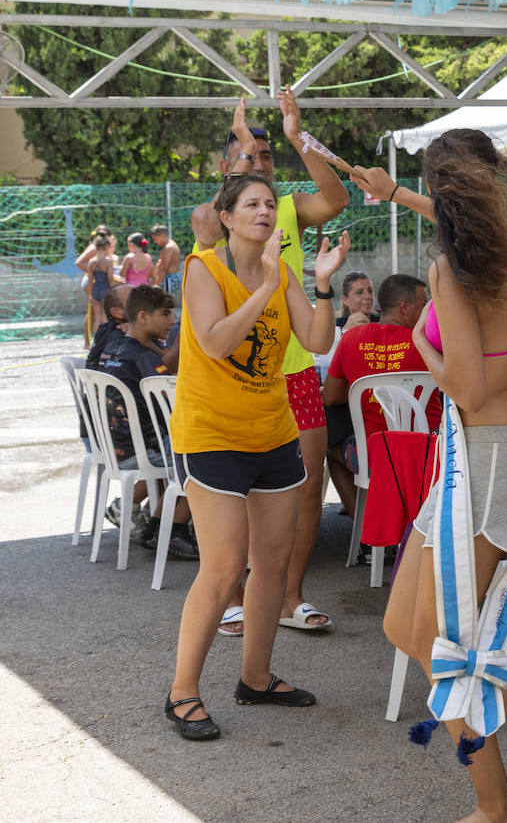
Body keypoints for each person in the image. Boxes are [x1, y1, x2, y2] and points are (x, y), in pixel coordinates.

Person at [352, 129, 507, 821]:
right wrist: (397, 194)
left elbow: (469, 387)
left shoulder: (451, 270)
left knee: (445, 647)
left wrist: (419, 344)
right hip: (482, 459)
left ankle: (495, 805)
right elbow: (460, 221)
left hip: (482, 462)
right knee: (404, 626)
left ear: (441, 186)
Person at [164, 172, 349, 741]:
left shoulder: (282, 271)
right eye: (251, 204)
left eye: (270, 203)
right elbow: (215, 342)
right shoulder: (203, 268)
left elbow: (317, 341)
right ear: (227, 217)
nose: (265, 211)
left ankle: (256, 678)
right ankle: (182, 693)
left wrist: (322, 285)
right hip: (212, 435)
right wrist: (267, 289)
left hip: (273, 433)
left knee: (272, 562)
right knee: (224, 569)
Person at [196, 93, 350, 636]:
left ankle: (290, 597)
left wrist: (295, 138)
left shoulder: (287, 207)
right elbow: (209, 222)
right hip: (238, 376)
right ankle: (234, 596)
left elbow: (337, 198)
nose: (259, 163)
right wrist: (243, 150)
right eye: (247, 156)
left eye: (266, 157)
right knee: (235, 493)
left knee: (307, 487)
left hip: (295, 368)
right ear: (228, 168)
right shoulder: (214, 218)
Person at [322, 273, 438, 521]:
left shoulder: (351, 339)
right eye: (424, 305)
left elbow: (330, 397)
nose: (429, 312)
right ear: (405, 308)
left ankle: (366, 526)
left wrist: (367, 388)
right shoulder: (427, 343)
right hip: (429, 456)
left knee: (331, 449)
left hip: (374, 457)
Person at [97, 284, 196, 558]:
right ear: (143, 317)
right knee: (203, 456)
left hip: (115, 447)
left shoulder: (116, 347)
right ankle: (173, 530)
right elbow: (172, 395)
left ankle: (155, 529)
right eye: (165, 314)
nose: (172, 320)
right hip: (142, 450)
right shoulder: (143, 357)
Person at [79, 235, 121, 336]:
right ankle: (105, 339)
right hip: (105, 290)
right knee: (104, 317)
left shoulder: (91, 261)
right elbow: (110, 280)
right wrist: (115, 291)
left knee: (97, 318)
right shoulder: (108, 261)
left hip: (96, 290)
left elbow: (90, 280)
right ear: (106, 247)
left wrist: (90, 295)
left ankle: (97, 340)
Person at [150, 225, 183, 299]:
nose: (155, 242)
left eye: (155, 239)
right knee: (167, 300)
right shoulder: (170, 244)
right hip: (171, 278)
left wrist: (157, 285)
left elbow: (164, 268)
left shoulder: (168, 248)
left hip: (169, 279)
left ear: (162, 236)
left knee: (166, 300)